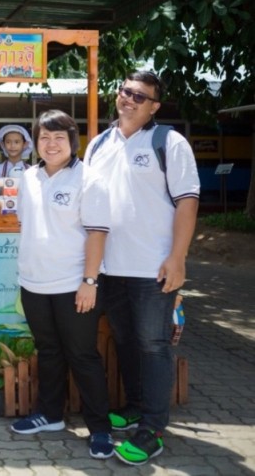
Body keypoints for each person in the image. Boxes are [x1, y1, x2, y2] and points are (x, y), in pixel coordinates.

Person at [84, 71, 200, 466]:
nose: (129, 99)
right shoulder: (99, 144)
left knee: (153, 344)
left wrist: (178, 258)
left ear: (154, 106)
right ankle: (135, 406)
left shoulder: (169, 142)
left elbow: (187, 202)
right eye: (125, 91)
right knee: (125, 339)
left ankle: (153, 428)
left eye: (140, 96)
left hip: (153, 267)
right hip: (110, 267)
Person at [12, 109, 114, 460]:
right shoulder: (28, 177)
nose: (51, 143)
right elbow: (26, 223)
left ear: (73, 141)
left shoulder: (89, 179)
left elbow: (97, 233)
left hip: (74, 284)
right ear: (36, 142)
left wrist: (90, 281)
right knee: (49, 351)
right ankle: (50, 414)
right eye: (44, 137)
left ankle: (100, 428)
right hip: (33, 283)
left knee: (82, 355)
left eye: (59, 137)